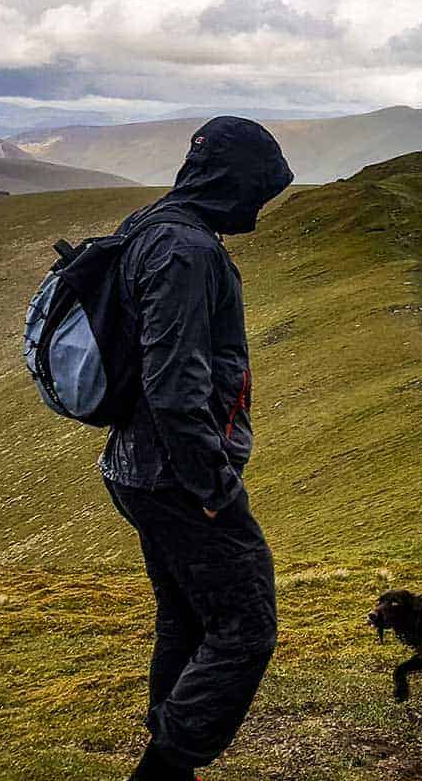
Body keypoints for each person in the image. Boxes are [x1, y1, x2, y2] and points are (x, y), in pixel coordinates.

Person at [102, 116, 293, 780]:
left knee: (185, 616)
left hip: (137, 464)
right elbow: (174, 383)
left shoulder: (149, 225)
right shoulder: (186, 251)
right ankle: (162, 770)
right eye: (257, 193)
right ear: (230, 181)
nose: (257, 210)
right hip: (176, 475)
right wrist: (212, 484)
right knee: (246, 627)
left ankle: (171, 763)